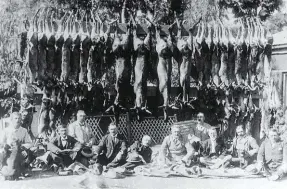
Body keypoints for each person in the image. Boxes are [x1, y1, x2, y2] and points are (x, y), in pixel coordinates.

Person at [0, 112, 34, 180]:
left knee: (32, 151)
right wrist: (5, 146)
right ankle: (2, 168)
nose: (17, 120)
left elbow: (29, 143)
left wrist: (23, 147)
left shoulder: (24, 130)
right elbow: (1, 143)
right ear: (11, 120)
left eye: (19, 119)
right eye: (15, 118)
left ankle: (23, 168)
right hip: (7, 151)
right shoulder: (6, 130)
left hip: (19, 151)